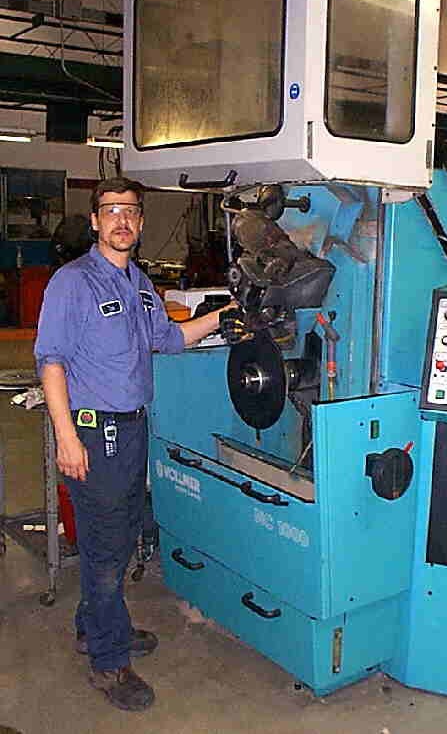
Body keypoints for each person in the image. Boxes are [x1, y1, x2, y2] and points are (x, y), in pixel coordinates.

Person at [34, 177, 234, 713]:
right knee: (103, 553)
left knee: (119, 538)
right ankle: (108, 659)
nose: (121, 220)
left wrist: (222, 318)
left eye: (130, 212)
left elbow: (168, 339)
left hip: (132, 427)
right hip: (93, 432)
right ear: (96, 221)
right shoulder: (72, 283)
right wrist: (66, 436)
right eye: (110, 211)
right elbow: (50, 360)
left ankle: (91, 627)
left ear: (141, 224)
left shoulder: (140, 284)